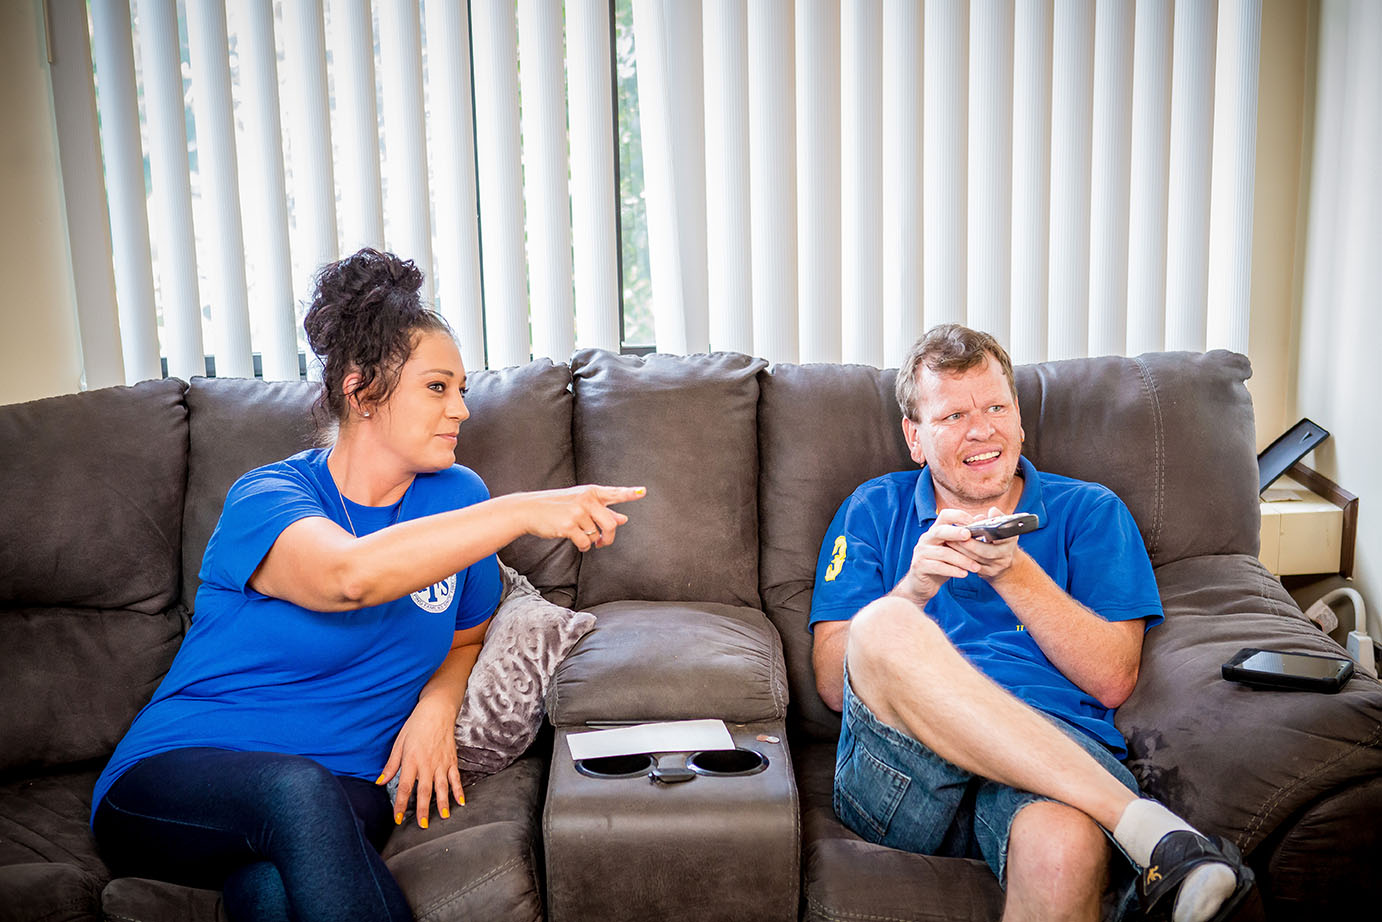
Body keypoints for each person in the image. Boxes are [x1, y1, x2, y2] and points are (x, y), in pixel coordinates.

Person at [90, 248, 644, 922]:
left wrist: (438, 706)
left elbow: (468, 635)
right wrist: (522, 510)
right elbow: (346, 577)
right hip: (178, 778)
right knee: (296, 794)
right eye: (438, 388)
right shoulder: (269, 497)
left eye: (462, 389)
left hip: (350, 786)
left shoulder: (457, 499)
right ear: (361, 393)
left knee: (267, 892)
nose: (462, 410)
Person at [809, 324, 1253, 922]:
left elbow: (1113, 678)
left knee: (1064, 848)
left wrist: (1013, 572)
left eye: (996, 406)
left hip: (1053, 759)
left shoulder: (1091, 511)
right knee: (885, 622)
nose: (982, 429)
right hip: (901, 775)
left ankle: (1143, 833)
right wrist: (914, 590)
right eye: (953, 416)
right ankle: (1150, 831)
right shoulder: (872, 507)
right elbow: (835, 685)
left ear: (1018, 416)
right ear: (915, 438)